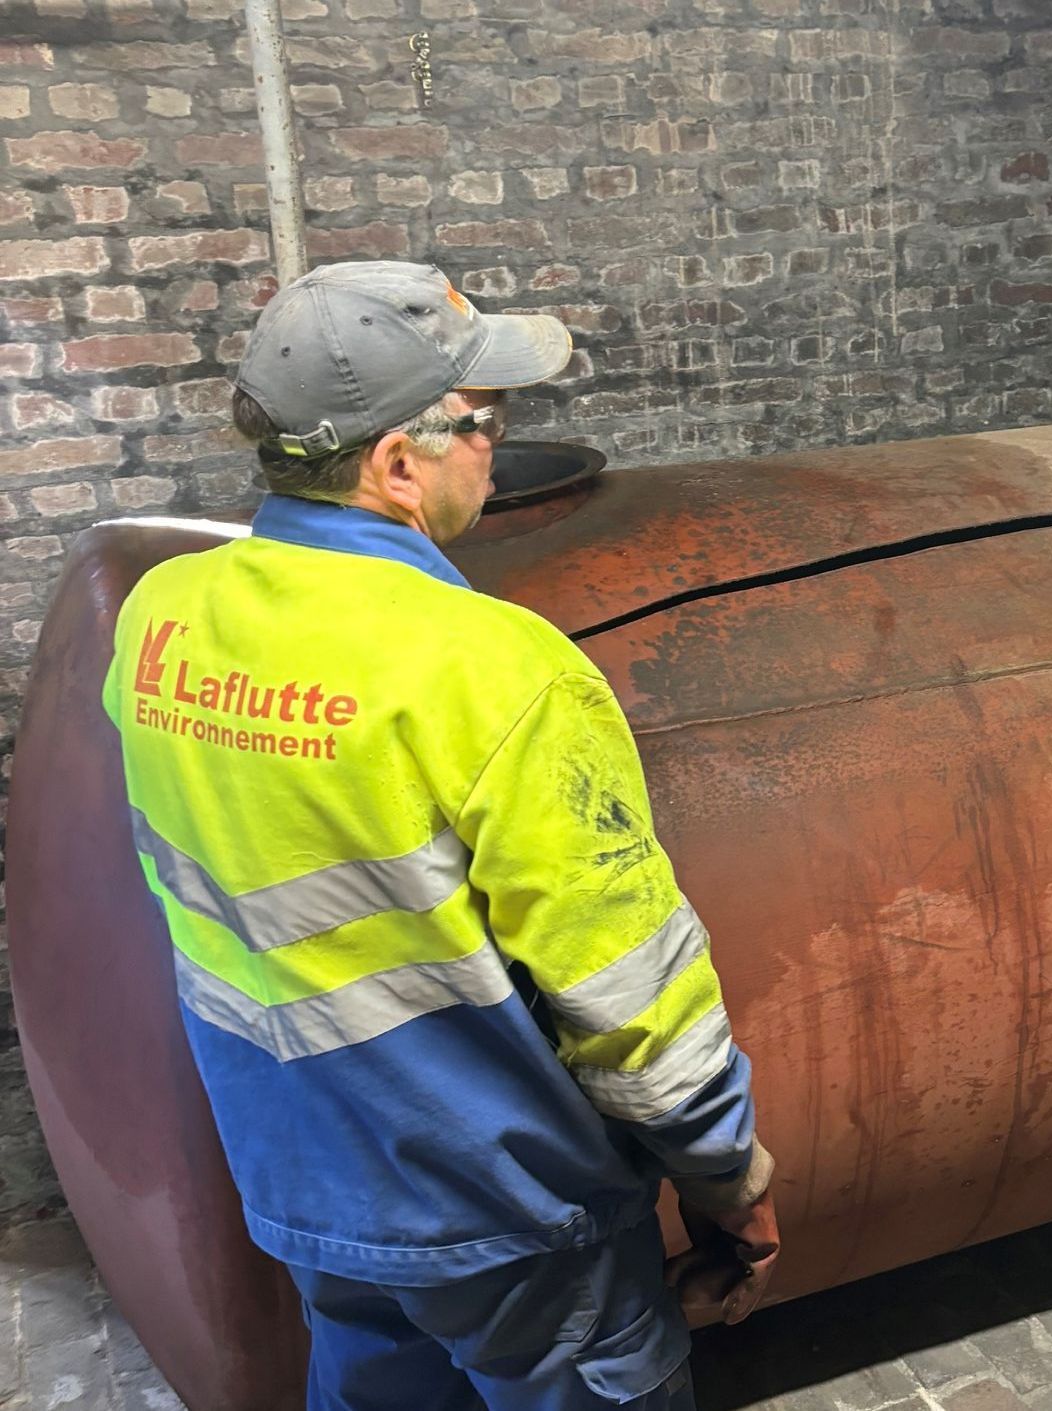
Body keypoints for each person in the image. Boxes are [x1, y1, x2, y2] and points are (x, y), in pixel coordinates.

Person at [101, 260, 778, 1410]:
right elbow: (629, 990)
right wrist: (728, 1176)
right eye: (483, 423)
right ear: (395, 461)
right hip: (503, 1208)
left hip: (306, 1180)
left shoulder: (161, 617)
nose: (494, 449)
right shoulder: (495, 668)